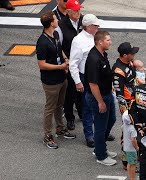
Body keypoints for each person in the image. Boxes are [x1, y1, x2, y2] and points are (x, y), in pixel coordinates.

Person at [36, 11, 76, 149]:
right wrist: (60, 66)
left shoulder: (56, 34)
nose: (57, 20)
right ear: (50, 23)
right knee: (50, 108)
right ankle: (47, 135)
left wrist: (65, 59)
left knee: (60, 105)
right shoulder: (42, 42)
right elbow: (42, 64)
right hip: (50, 81)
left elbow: (60, 50)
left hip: (61, 77)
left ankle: (60, 128)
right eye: (55, 19)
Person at [85, 31, 117, 166]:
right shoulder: (93, 59)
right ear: (100, 42)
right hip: (98, 97)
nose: (110, 42)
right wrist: (100, 102)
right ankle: (101, 156)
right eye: (108, 40)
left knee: (111, 119)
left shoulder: (102, 54)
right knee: (100, 127)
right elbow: (93, 84)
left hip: (107, 93)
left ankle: (100, 147)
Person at [69, 14, 99, 147]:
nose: (98, 27)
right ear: (88, 27)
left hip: (98, 76)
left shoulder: (96, 37)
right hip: (85, 77)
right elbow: (73, 63)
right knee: (87, 107)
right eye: (95, 25)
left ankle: (100, 131)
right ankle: (89, 135)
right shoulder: (78, 40)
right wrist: (77, 81)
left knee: (100, 104)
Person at [56, 0, 83, 131]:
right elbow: (58, 45)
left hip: (83, 63)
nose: (78, 12)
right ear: (68, 12)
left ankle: (82, 113)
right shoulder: (61, 25)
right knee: (70, 93)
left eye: (79, 10)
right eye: (76, 10)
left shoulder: (83, 21)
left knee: (83, 91)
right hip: (70, 63)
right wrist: (65, 60)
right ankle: (70, 118)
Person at [112, 42, 139, 169]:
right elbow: (119, 94)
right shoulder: (118, 70)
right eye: (131, 53)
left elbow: (133, 80)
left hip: (134, 102)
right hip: (127, 104)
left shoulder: (129, 63)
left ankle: (134, 153)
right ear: (124, 55)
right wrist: (125, 113)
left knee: (136, 130)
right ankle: (125, 161)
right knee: (127, 131)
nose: (133, 54)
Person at [122, 111, 139, 180]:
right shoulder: (132, 129)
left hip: (125, 147)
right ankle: (132, 178)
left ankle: (130, 177)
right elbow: (133, 140)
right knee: (133, 164)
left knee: (129, 163)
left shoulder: (125, 125)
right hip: (131, 149)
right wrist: (137, 147)